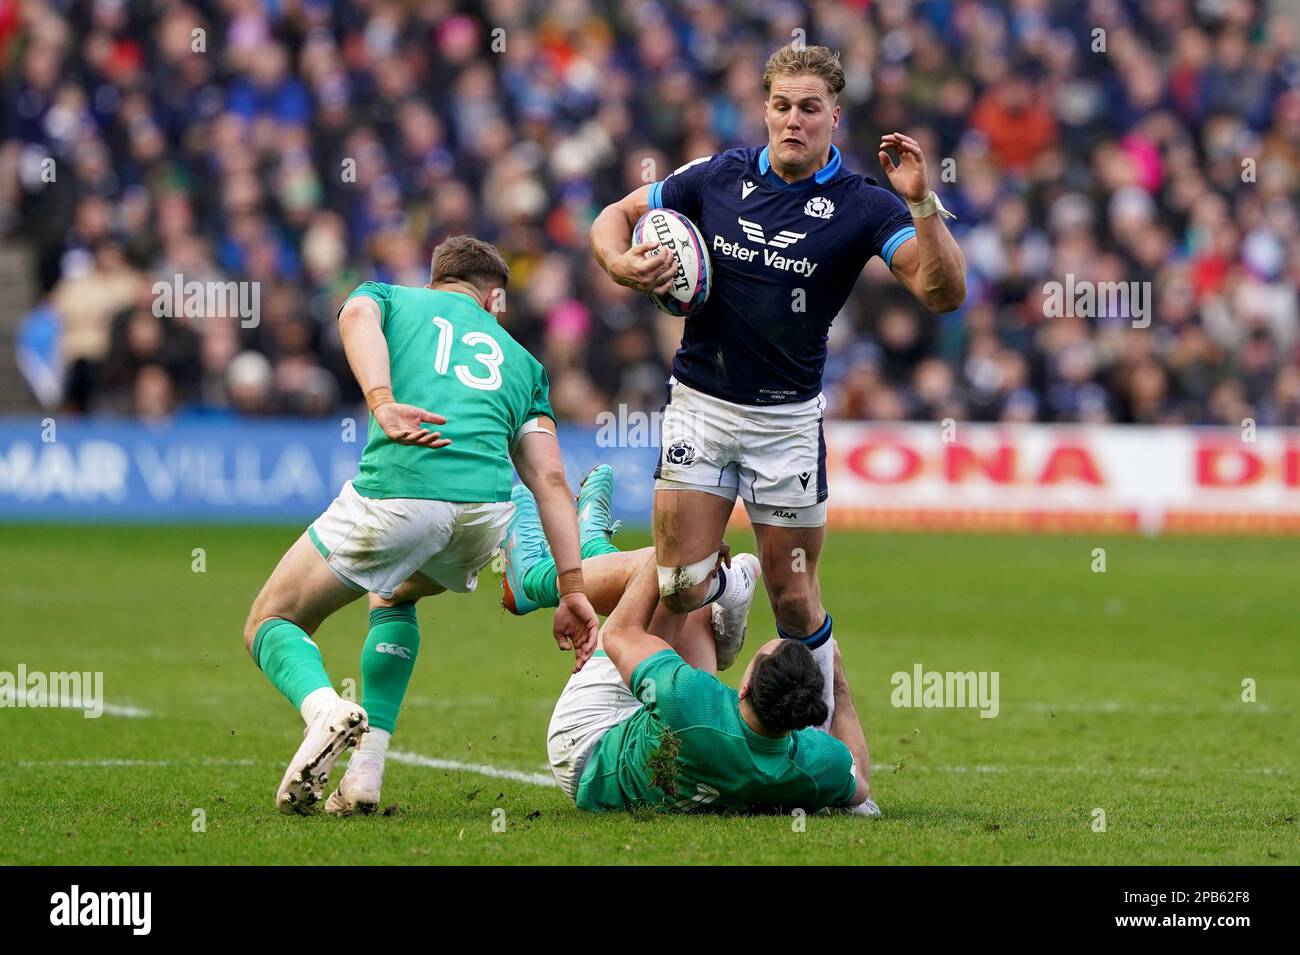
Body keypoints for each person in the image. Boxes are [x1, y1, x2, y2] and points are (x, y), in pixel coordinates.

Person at [589, 42, 966, 728]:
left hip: (785, 424)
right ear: (764, 109)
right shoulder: (715, 177)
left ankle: (826, 754)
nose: (794, 120)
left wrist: (923, 205)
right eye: (782, 106)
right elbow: (613, 214)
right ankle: (723, 606)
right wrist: (618, 261)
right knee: (679, 584)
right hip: (701, 406)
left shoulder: (862, 206)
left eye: (810, 109)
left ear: (835, 117)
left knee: (795, 599)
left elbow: (943, 293)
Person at [242, 236, 599, 815]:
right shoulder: (524, 362)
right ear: (494, 298)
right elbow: (552, 483)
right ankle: (364, 776)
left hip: (401, 497)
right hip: (483, 520)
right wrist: (574, 589)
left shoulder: (387, 297)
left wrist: (381, 401)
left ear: (436, 280)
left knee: (270, 620)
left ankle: (325, 710)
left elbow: (354, 314)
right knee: (393, 591)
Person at [546, 552, 880, 816]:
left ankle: (536, 581)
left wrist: (674, 551)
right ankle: (719, 591)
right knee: (692, 606)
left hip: (589, 749)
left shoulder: (690, 697)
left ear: (746, 687)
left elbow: (621, 633)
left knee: (673, 578)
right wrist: (840, 689)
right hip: (668, 761)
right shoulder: (812, 765)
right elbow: (860, 784)